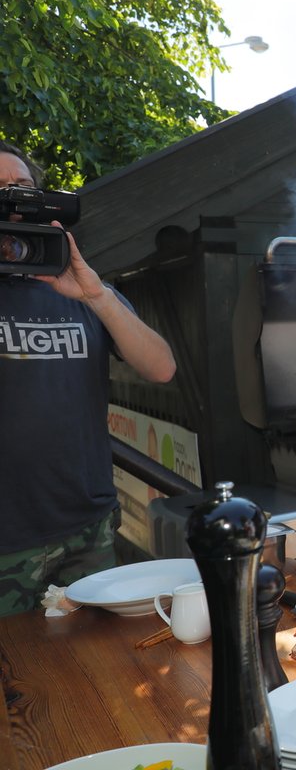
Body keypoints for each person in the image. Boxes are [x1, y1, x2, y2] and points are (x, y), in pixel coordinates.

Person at [0, 141, 177, 617]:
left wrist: (97, 296)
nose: (11, 200)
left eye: (20, 187)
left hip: (87, 528)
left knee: (97, 674)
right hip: (5, 541)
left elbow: (161, 367)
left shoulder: (86, 292)